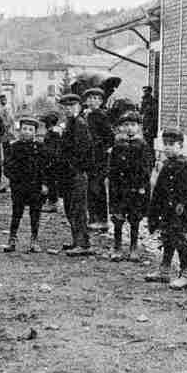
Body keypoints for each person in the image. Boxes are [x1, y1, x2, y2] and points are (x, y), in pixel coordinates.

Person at [146, 130, 187, 289]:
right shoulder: (168, 164)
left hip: (178, 211)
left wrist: (180, 207)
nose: (167, 148)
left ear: (180, 146)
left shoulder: (181, 165)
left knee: (179, 240)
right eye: (165, 144)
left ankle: (185, 273)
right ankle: (165, 269)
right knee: (167, 238)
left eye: (171, 144)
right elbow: (160, 190)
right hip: (166, 210)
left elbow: (186, 191)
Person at [107, 111, 154, 262]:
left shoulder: (143, 146)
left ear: (139, 127)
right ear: (121, 127)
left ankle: (134, 247)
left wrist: (141, 186)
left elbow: (147, 168)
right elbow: (112, 167)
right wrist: (112, 183)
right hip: (119, 189)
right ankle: (117, 246)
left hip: (136, 188)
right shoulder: (117, 145)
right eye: (126, 125)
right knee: (118, 217)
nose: (129, 128)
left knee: (134, 218)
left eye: (133, 125)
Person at [2, 117, 46, 253]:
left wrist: (45, 184)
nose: (27, 132)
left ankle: (34, 240)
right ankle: (12, 239)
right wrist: (14, 180)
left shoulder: (40, 147)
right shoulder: (14, 147)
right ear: (19, 130)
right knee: (17, 212)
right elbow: (7, 167)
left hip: (35, 186)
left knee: (35, 213)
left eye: (30, 130)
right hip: (19, 186)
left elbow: (45, 168)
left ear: (35, 132)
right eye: (24, 129)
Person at [57, 93, 93, 255]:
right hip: (68, 173)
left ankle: (83, 244)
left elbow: (83, 151)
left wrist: (74, 168)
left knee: (78, 209)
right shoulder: (70, 123)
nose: (68, 110)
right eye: (65, 107)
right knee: (70, 207)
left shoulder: (80, 124)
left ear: (79, 107)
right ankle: (75, 240)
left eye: (71, 106)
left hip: (76, 173)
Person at [83, 87, 114, 232]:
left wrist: (102, 148)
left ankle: (101, 220)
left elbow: (109, 137)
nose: (93, 101)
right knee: (90, 188)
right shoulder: (86, 115)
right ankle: (93, 218)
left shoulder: (101, 116)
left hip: (99, 157)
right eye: (90, 98)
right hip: (89, 157)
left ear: (101, 101)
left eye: (96, 99)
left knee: (97, 188)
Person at [39, 111, 66, 213]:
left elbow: (51, 150)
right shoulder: (56, 131)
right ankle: (51, 202)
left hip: (52, 162)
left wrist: (48, 160)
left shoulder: (52, 133)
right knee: (51, 182)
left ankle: (52, 203)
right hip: (53, 161)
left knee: (51, 182)